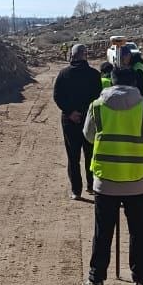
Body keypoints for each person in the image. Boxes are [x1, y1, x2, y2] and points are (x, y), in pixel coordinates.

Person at [81, 49, 143, 285]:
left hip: (105, 179)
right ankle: (141, 281)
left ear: (111, 82)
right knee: (138, 232)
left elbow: (88, 136)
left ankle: (96, 279)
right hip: (137, 180)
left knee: (102, 231)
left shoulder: (96, 106)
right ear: (134, 83)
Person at [53, 43, 102, 199]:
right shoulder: (94, 75)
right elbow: (99, 97)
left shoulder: (63, 74)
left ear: (72, 56)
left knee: (73, 157)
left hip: (70, 121)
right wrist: (88, 113)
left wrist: (70, 112)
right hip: (90, 120)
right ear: (85, 55)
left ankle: (76, 190)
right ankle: (91, 186)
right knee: (90, 154)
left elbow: (57, 96)